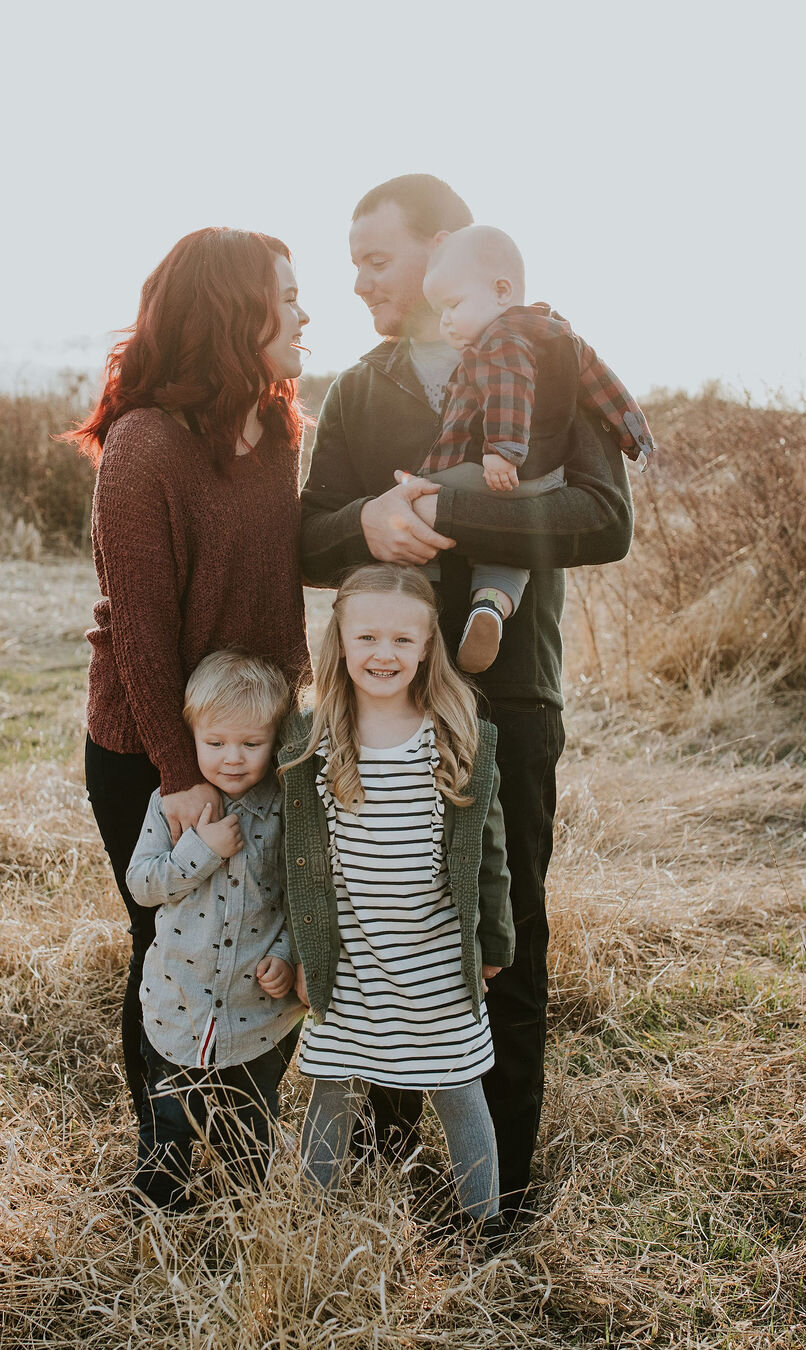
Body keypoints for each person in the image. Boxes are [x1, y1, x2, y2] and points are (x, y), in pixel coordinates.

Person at [299, 174, 635, 1226]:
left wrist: (441, 510)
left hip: (506, 702)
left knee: (502, 936)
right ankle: (402, 1173)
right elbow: (305, 538)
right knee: (388, 927)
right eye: (350, 262)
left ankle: (505, 1196)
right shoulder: (360, 390)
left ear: (442, 250)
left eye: (376, 259)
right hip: (378, 711)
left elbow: (601, 520)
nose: (357, 280)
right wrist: (369, 524)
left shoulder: (552, 357)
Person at [66, 227, 313, 1135]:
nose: (303, 312)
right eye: (285, 297)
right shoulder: (145, 445)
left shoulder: (281, 426)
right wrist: (181, 777)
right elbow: (137, 630)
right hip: (153, 750)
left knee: (263, 932)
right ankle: (166, 1158)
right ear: (230, 312)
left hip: (263, 736)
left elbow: (280, 591)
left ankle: (242, 1133)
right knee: (167, 940)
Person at [277, 563, 512, 1229]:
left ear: (429, 645)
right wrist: (303, 953)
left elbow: (489, 858)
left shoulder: (454, 736)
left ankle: (485, 1227)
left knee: (460, 1090)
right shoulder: (313, 740)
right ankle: (313, 1225)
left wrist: (493, 945)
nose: (385, 654)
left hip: (435, 958)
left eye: (404, 641)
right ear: (341, 641)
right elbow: (299, 867)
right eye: (368, 638)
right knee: (331, 1087)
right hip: (349, 959)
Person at [417, 225, 659, 672]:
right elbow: (606, 389)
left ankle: (421, 599)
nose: (445, 321)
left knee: (415, 501)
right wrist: (636, 440)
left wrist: (501, 450)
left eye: (452, 306)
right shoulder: (561, 335)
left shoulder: (500, 337)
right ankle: (490, 604)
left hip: (490, 469)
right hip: (544, 481)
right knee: (506, 548)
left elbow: (511, 386)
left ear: (501, 291)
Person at [124, 651, 304, 1210]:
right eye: (216, 742)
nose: (232, 759)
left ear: (275, 739)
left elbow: (302, 899)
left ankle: (246, 1219)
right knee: (169, 1121)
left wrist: (287, 954)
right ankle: (157, 1211)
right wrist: (198, 852)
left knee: (248, 1127)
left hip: (256, 1011)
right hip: (177, 1001)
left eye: (251, 744)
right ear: (192, 735)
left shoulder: (285, 809)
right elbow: (142, 884)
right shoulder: (169, 805)